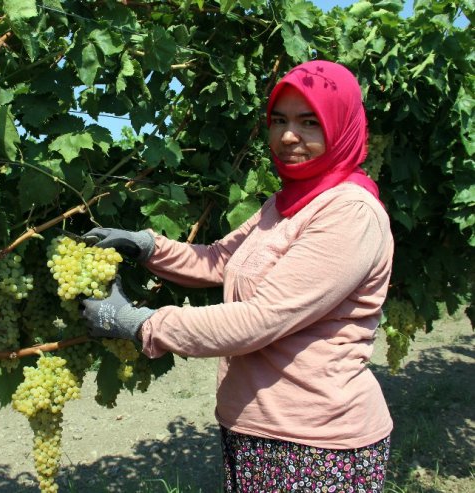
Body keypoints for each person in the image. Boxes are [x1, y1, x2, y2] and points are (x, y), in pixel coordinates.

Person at [80, 60, 394, 492]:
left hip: (317, 445)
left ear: (341, 127)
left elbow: (261, 318)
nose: (288, 136)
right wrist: (148, 245)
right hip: (254, 430)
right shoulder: (283, 204)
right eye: (279, 120)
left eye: (309, 122)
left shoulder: (350, 214)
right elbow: (219, 259)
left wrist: (139, 324)